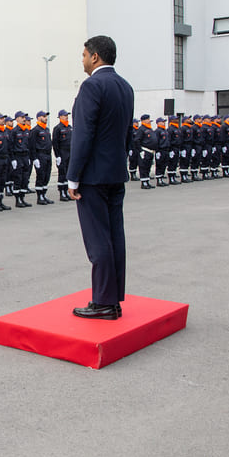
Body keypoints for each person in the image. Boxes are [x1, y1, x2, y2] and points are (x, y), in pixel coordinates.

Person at [67, 36, 134, 320]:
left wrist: (73, 177)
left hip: (93, 177)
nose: (81, 60)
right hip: (115, 173)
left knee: (98, 241)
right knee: (114, 237)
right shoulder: (125, 87)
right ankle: (113, 299)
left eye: (83, 55)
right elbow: (128, 134)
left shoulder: (92, 85)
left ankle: (103, 302)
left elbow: (83, 135)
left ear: (95, 57)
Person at [29, 110, 55, 205]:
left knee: (47, 176)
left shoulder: (46, 129)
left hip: (48, 155)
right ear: (39, 118)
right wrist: (34, 158)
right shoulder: (35, 130)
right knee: (41, 175)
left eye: (46, 116)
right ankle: (39, 196)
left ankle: (44, 195)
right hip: (40, 155)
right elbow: (32, 145)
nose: (46, 118)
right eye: (43, 116)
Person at [52, 109, 73, 201]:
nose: (66, 116)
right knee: (62, 173)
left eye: (67, 115)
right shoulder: (58, 128)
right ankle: (62, 193)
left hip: (70, 153)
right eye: (64, 115)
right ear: (60, 117)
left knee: (69, 173)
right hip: (62, 153)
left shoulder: (70, 127)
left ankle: (67, 191)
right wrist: (58, 156)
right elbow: (55, 143)